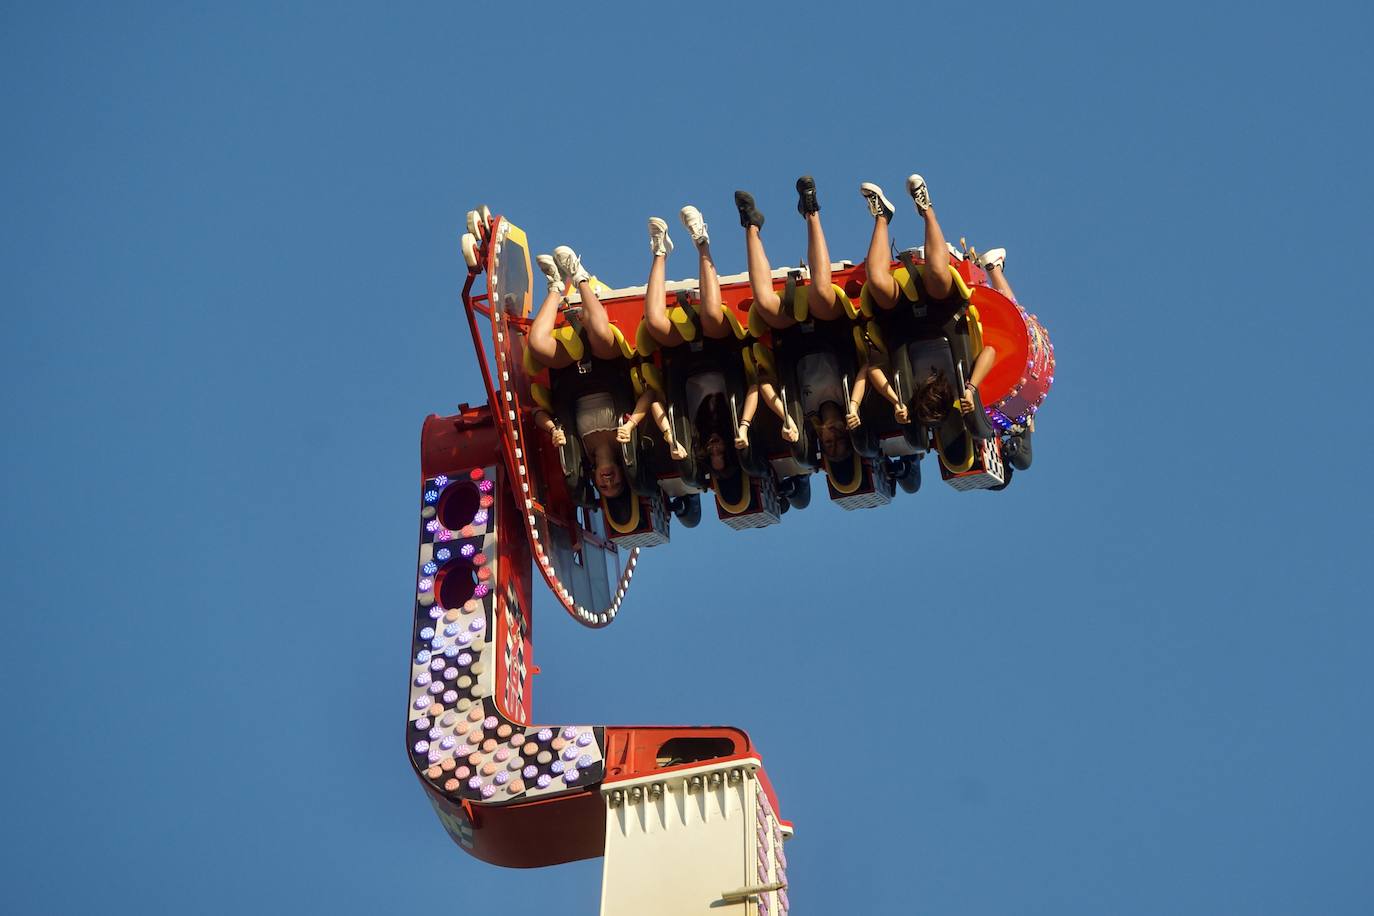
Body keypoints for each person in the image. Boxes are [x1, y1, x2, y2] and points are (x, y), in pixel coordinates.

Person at [734, 177, 908, 464]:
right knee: (820, 292)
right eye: (841, 440)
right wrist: (853, 406)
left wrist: (785, 416)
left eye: (829, 442)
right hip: (832, 329)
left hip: (794, 337)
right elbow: (868, 369)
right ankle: (811, 211)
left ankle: (751, 225)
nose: (834, 434)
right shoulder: (853, 403)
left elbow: (764, 384)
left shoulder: (802, 412)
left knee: (764, 303)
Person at [642, 207, 799, 483]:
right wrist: (743, 428)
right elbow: (756, 386)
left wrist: (669, 436)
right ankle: (702, 243)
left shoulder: (688, 431)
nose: (715, 446)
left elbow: (656, 402)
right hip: (721, 348)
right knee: (712, 315)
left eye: (710, 452)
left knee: (654, 321)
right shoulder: (738, 421)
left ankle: (660, 251)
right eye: (721, 451)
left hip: (684, 358)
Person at [526, 246, 685, 500]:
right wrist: (632, 423)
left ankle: (555, 286)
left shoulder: (579, 449)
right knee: (599, 332)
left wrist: (552, 430)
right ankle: (580, 277)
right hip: (609, 364)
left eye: (603, 488)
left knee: (536, 344)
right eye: (616, 486)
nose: (608, 483)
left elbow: (536, 414)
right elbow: (651, 395)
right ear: (623, 475)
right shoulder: (627, 438)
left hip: (571, 374)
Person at [858, 174, 997, 427]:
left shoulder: (908, 394)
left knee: (876, 280)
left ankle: (882, 217)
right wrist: (971, 387)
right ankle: (926, 209)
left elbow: (874, 370)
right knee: (936, 271)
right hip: (943, 313)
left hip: (903, 322)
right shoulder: (960, 386)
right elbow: (990, 351)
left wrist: (894, 400)